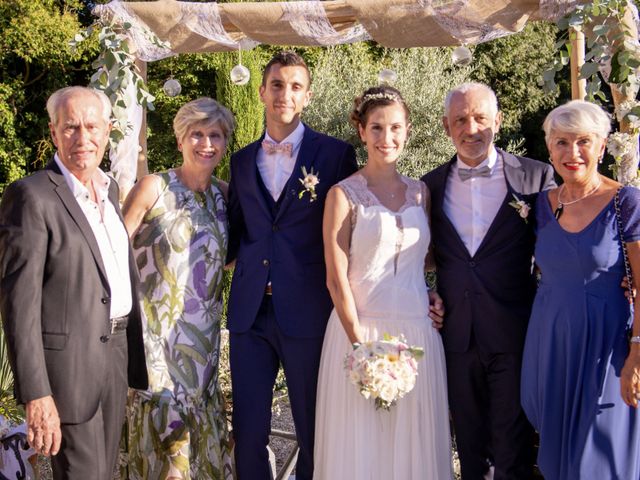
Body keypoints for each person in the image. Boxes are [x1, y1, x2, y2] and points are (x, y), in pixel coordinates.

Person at [0, 86, 148, 479]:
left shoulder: (111, 190)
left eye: (91, 126)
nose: (82, 138)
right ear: (53, 133)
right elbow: (19, 306)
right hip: (67, 369)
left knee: (102, 472)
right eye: (70, 128)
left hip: (114, 355)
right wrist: (36, 393)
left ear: (108, 130)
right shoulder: (31, 197)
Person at [226, 51, 358, 480]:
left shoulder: (336, 155)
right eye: (277, 85)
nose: (285, 94)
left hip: (308, 313)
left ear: (308, 96)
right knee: (248, 431)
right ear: (262, 91)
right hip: (249, 315)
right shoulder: (241, 161)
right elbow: (236, 231)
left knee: (313, 428)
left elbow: (352, 237)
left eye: (295, 86)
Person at [313, 86, 453, 479]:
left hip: (416, 335)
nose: (385, 138)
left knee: (413, 448)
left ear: (408, 130)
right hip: (360, 332)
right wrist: (362, 348)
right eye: (376, 128)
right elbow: (335, 278)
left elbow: (420, 261)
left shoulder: (420, 192)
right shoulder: (343, 195)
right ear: (361, 131)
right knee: (363, 449)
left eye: (395, 128)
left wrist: (433, 292)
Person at [421, 82, 555, 480]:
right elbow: (413, 256)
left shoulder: (535, 177)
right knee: (470, 450)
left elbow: (562, 245)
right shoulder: (429, 186)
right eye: (461, 120)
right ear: (447, 127)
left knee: (514, 450)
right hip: (456, 336)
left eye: (480, 117)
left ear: (498, 121)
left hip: (515, 334)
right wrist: (424, 292)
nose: (471, 128)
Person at [520, 100, 640, 479]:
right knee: (558, 460)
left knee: (599, 457)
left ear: (602, 147)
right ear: (549, 148)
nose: (572, 153)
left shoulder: (626, 203)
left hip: (606, 346)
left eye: (583, 142)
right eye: (561, 142)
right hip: (551, 342)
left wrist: (637, 355)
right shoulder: (541, 205)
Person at [120, 97, 234, 480]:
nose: (206, 144)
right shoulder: (153, 187)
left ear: (225, 142)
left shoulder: (226, 197)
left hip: (202, 347)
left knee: (201, 453)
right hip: (155, 342)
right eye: (197, 134)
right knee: (168, 452)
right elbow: (111, 248)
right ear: (181, 139)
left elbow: (230, 256)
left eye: (215, 135)